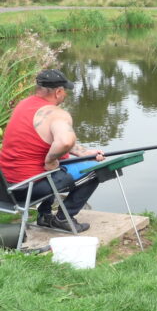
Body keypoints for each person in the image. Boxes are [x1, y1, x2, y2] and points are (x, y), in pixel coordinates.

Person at [0, 69, 105, 232]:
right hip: (27, 189)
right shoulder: (57, 114)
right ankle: (64, 218)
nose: (65, 95)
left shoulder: (23, 105)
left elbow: (48, 141)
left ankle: (45, 215)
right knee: (97, 170)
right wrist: (50, 161)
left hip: (7, 187)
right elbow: (65, 141)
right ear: (58, 92)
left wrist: (84, 153)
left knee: (60, 163)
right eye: (65, 92)